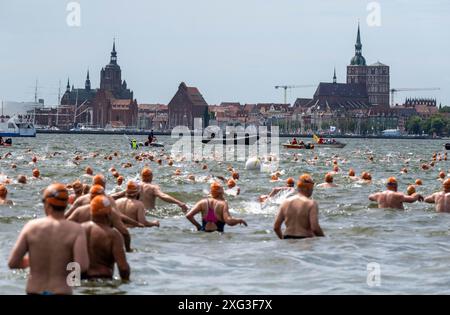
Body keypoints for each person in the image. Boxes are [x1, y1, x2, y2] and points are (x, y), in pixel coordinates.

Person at [8, 184, 89, 295]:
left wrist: (35, 261)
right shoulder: (76, 230)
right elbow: (82, 266)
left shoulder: (31, 226)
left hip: (35, 291)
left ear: (47, 203)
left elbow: (13, 263)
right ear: (66, 204)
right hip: (61, 291)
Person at [81, 195, 130, 280]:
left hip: (80, 279)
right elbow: (123, 268)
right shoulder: (113, 235)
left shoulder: (78, 230)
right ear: (108, 213)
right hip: (103, 280)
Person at [274, 174, 324, 239]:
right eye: (312, 188)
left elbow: (276, 227)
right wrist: (324, 239)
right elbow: (315, 228)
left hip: (287, 240)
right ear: (308, 188)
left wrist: (282, 239)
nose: (312, 190)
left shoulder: (285, 202)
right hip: (305, 240)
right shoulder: (311, 204)